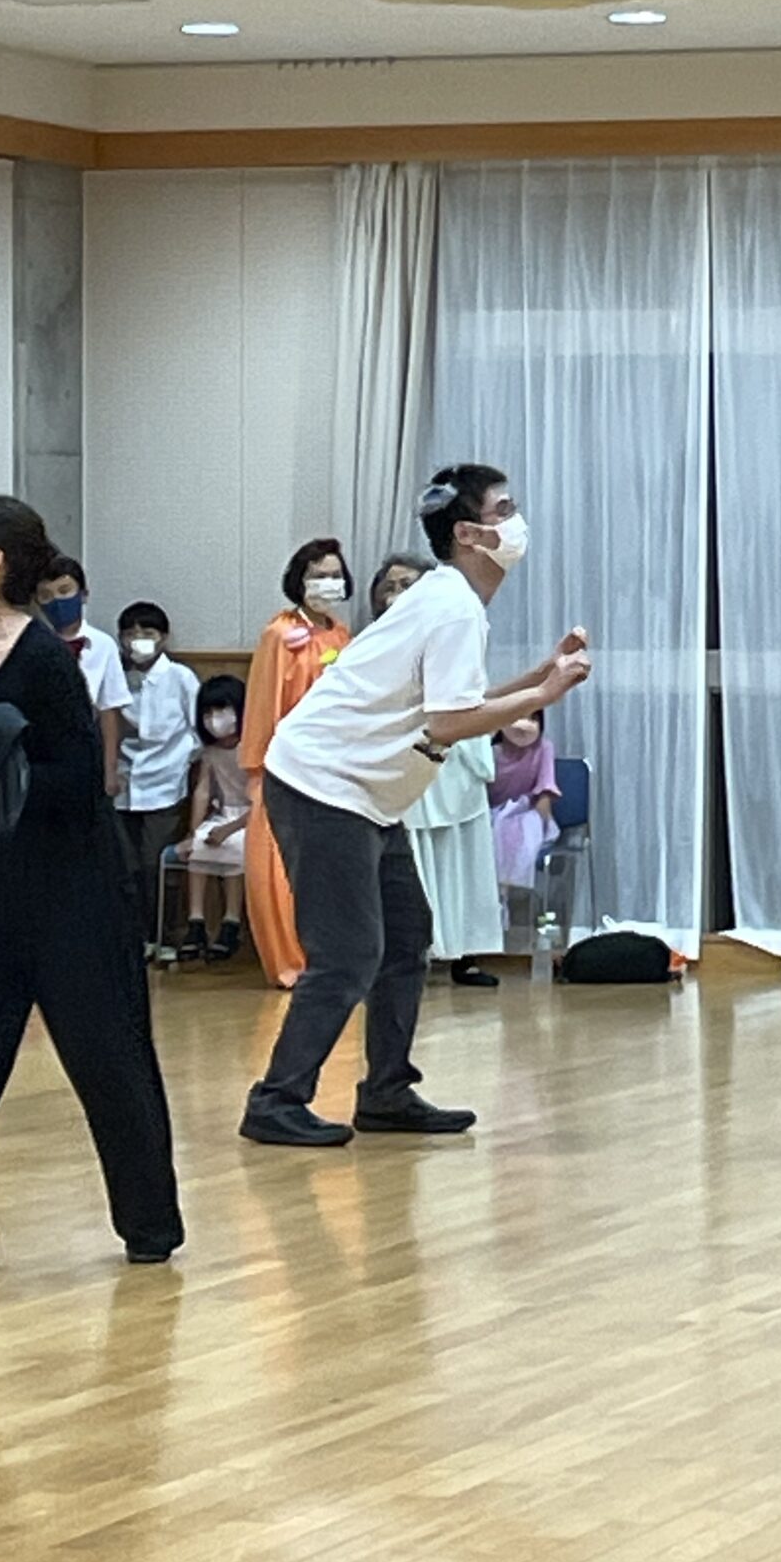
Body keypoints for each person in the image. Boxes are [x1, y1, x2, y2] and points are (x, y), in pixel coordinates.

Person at [239, 464, 591, 1147]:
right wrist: (544, 695)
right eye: (503, 510)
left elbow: (457, 701)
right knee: (348, 954)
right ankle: (275, 1100)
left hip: (364, 795)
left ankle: (387, 1092)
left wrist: (538, 677)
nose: (516, 521)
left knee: (405, 938)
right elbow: (451, 723)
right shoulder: (452, 606)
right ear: (468, 534)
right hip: (323, 788)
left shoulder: (448, 599)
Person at [0, 495, 183, 1271]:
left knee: (108, 1058)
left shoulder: (45, 660)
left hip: (76, 894)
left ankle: (150, 1223)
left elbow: (78, 780)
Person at [371, 554, 504, 990]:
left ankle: (466, 952)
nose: (397, 595)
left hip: (457, 759)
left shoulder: (456, 629)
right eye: (389, 588)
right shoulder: (375, 645)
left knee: (460, 859)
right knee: (415, 862)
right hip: (410, 762)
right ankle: (418, 953)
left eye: (407, 585)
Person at [239, 541, 355, 987]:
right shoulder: (280, 634)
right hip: (286, 766)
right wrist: (262, 767)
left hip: (335, 766)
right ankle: (291, 961)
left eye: (335, 574)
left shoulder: (342, 635)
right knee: (278, 865)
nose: (329, 583)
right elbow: (264, 702)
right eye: (318, 575)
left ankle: (333, 958)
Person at [114, 601, 199, 950]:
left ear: (163, 637)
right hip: (122, 784)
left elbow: (198, 732)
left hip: (165, 784)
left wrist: (181, 764)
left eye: (147, 632)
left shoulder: (180, 678)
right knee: (126, 867)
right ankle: (133, 937)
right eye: (129, 633)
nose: (137, 640)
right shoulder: (117, 678)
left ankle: (161, 935)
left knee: (156, 864)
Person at [35, 554, 128, 796]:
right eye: (46, 595)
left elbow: (109, 710)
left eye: (64, 591)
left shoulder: (103, 645)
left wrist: (110, 770)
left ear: (83, 594)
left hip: (87, 745)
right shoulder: (33, 644)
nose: (56, 601)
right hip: (41, 751)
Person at [176, 674, 250, 963]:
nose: (213, 719)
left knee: (235, 847)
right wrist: (192, 832)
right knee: (198, 847)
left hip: (249, 819)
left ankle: (231, 921)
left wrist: (229, 829)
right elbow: (203, 791)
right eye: (207, 712)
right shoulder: (211, 752)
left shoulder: (252, 749)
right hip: (223, 813)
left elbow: (262, 800)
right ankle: (196, 922)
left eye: (221, 710)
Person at [489, 712, 561, 898]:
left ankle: (514, 897)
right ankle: (497, 899)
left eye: (532, 719)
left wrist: (539, 824)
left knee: (522, 833)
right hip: (493, 815)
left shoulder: (544, 748)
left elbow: (546, 789)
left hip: (530, 813)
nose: (524, 725)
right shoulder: (491, 752)